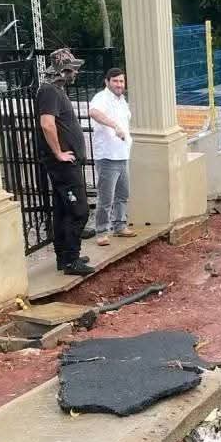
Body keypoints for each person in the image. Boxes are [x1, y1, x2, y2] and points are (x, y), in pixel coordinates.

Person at [37, 48, 94, 277]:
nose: (75, 73)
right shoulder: (49, 91)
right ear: (61, 70)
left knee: (63, 210)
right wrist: (59, 153)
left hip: (67, 163)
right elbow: (46, 123)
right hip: (62, 164)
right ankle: (71, 261)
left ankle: (66, 257)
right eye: (71, 69)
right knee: (79, 210)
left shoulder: (55, 90)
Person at [89, 68, 136, 246]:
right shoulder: (102, 98)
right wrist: (114, 125)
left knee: (123, 194)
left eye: (121, 81)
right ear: (107, 81)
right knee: (106, 198)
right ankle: (102, 231)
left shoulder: (122, 100)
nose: (119, 84)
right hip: (108, 157)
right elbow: (93, 112)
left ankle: (120, 225)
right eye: (115, 81)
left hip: (123, 155)